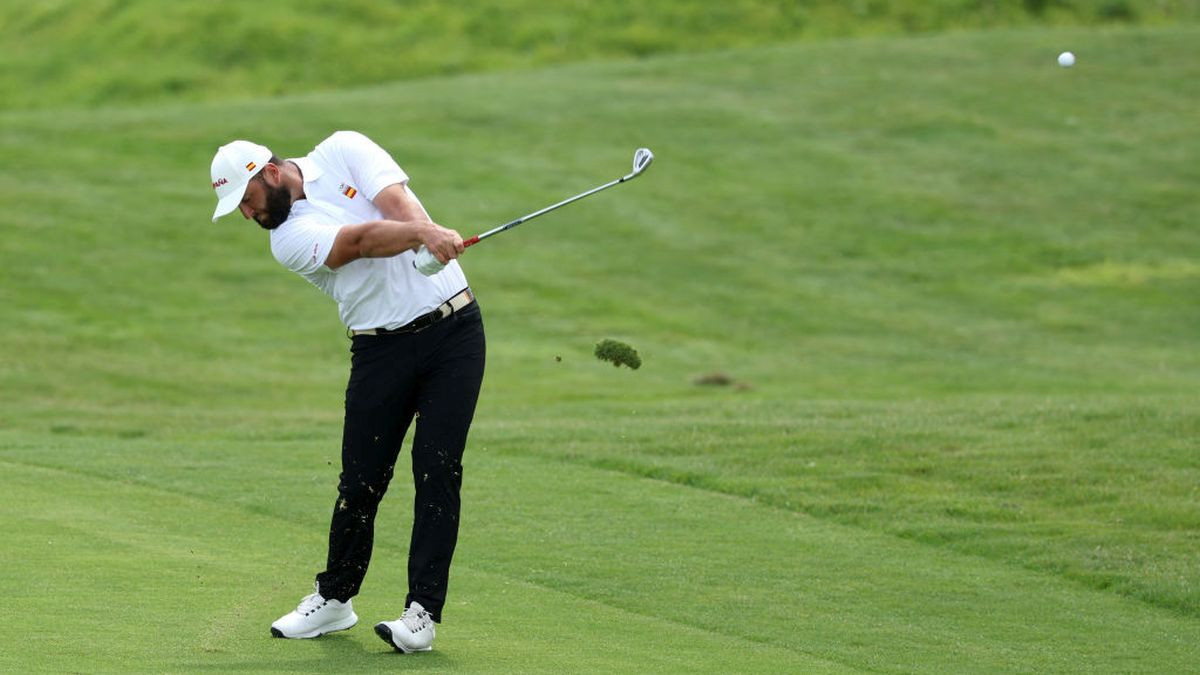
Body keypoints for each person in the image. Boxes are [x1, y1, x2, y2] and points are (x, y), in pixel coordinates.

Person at [209, 131, 486, 654]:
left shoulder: (343, 148)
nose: (246, 215)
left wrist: (422, 230)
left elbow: (394, 200)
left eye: (245, 200)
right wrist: (422, 237)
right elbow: (357, 243)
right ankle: (335, 600)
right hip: (380, 351)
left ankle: (422, 614)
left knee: (437, 466)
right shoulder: (286, 238)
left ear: (268, 172)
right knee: (360, 482)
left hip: (455, 332)